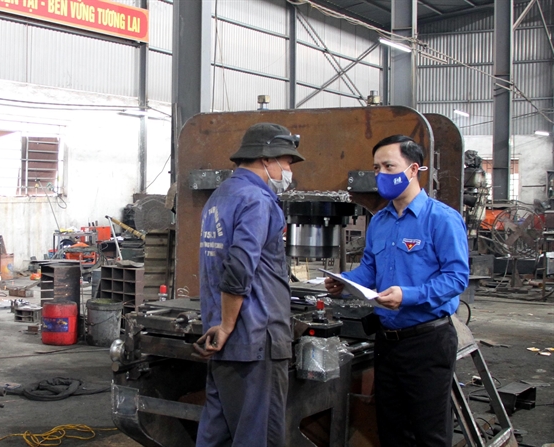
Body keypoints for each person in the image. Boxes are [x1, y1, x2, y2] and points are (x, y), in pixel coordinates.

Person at [325, 135, 469, 447]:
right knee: (391, 431)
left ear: (413, 169)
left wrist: (409, 295)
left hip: (427, 342)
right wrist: (344, 282)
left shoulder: (441, 219)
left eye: (389, 166)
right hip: (387, 344)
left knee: (429, 434)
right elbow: (369, 271)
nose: (381, 174)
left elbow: (456, 278)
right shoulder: (380, 222)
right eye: (377, 168)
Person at [193, 122, 305, 447]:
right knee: (259, 438)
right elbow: (239, 268)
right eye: (286, 162)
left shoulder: (220, 195)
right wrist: (229, 325)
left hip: (222, 339)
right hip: (257, 339)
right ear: (266, 158)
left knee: (218, 433)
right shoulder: (258, 200)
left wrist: (222, 325)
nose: (288, 171)